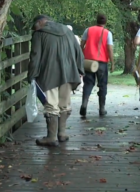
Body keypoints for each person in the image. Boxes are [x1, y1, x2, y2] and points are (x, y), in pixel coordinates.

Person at [28, 15, 84, 147]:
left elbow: (35, 57)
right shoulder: (68, 31)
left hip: (49, 74)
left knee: (51, 105)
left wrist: (32, 76)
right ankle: (62, 133)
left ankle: (51, 137)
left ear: (41, 22)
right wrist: (79, 70)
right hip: (69, 72)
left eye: (35, 27)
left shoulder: (39, 35)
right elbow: (79, 52)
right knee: (64, 103)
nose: (34, 30)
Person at [79, 13, 114, 118]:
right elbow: (109, 49)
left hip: (89, 62)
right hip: (102, 62)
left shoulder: (88, 30)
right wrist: (112, 63)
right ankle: (102, 109)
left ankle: (84, 104)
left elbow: (82, 45)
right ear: (105, 22)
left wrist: (82, 57)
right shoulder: (107, 33)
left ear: (96, 20)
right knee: (102, 85)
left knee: (88, 83)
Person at [67, 25, 83, 94]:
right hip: (72, 57)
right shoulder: (74, 37)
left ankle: (79, 86)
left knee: (77, 72)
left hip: (72, 57)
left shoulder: (74, 37)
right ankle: (74, 87)